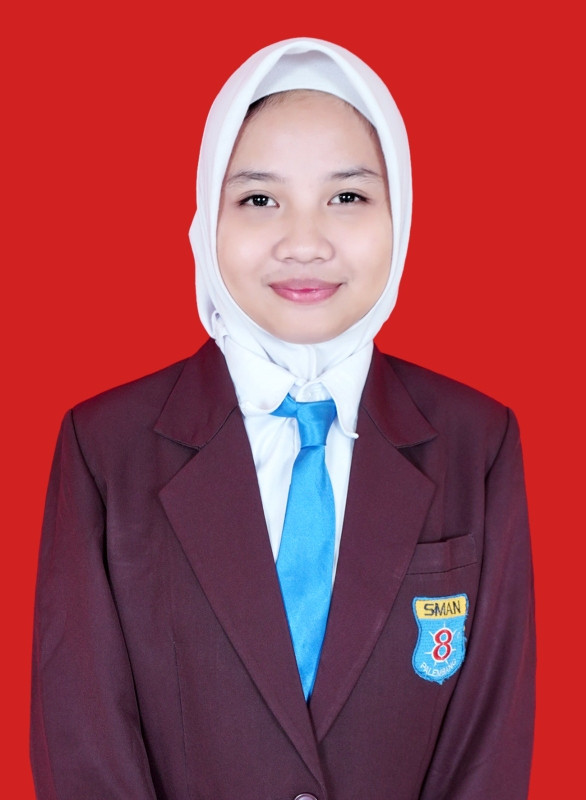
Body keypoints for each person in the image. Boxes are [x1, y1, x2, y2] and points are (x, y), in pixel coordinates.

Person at [30, 37, 535, 800]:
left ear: (401, 213)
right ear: (207, 216)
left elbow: (488, 747)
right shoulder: (105, 448)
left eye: (348, 197)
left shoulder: (478, 442)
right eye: (259, 200)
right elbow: (83, 744)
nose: (304, 243)